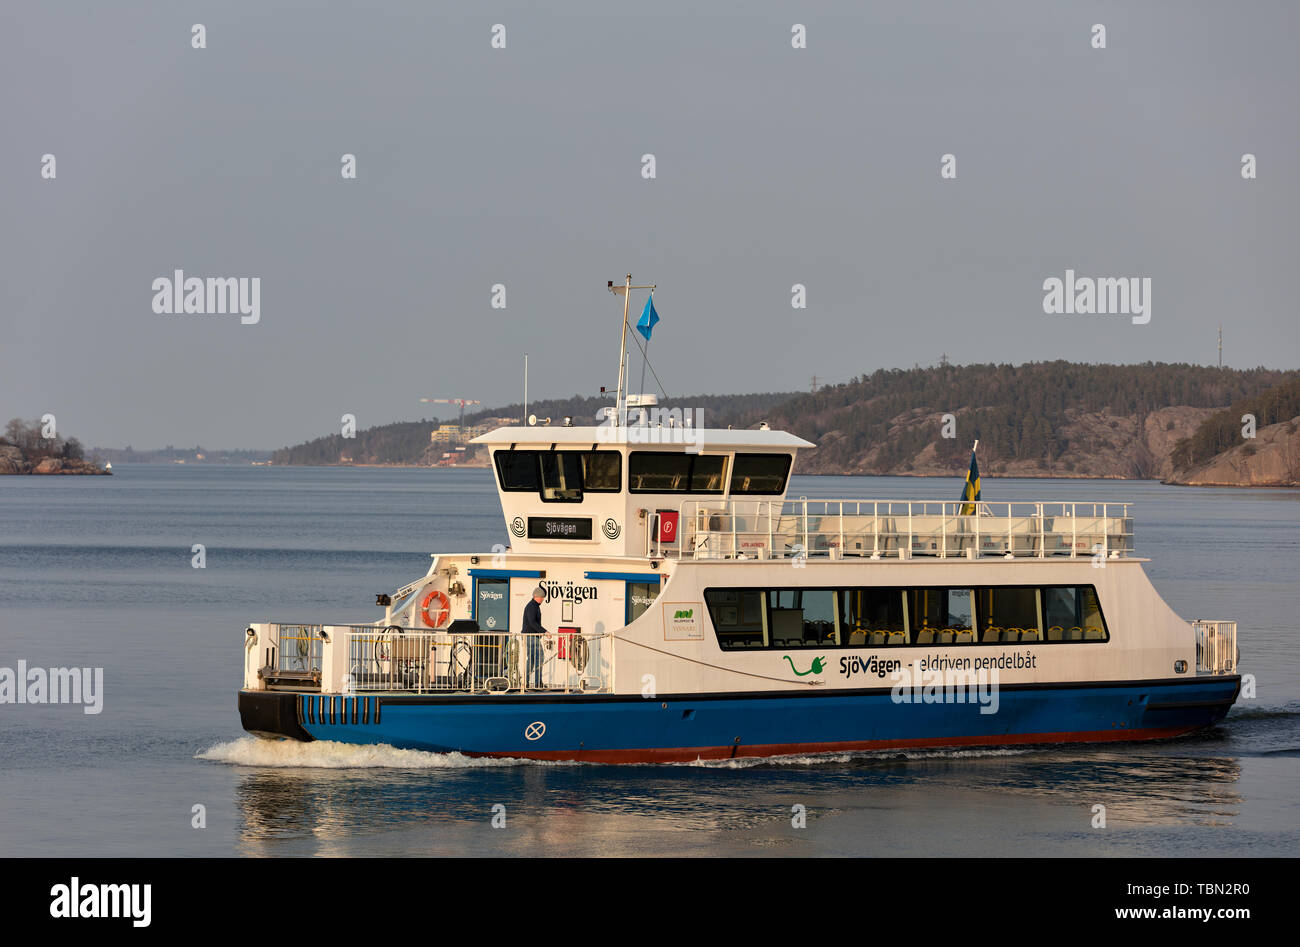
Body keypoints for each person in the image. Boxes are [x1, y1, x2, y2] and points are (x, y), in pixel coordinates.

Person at [521, 587, 547, 689]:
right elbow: (532, 622)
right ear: (536, 596)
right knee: (539, 658)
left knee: (531, 660)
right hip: (531, 637)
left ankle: (526, 682)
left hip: (530, 637)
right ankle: (537, 683)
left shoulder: (534, 606)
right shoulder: (532, 606)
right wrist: (544, 631)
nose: (543, 599)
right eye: (541, 597)